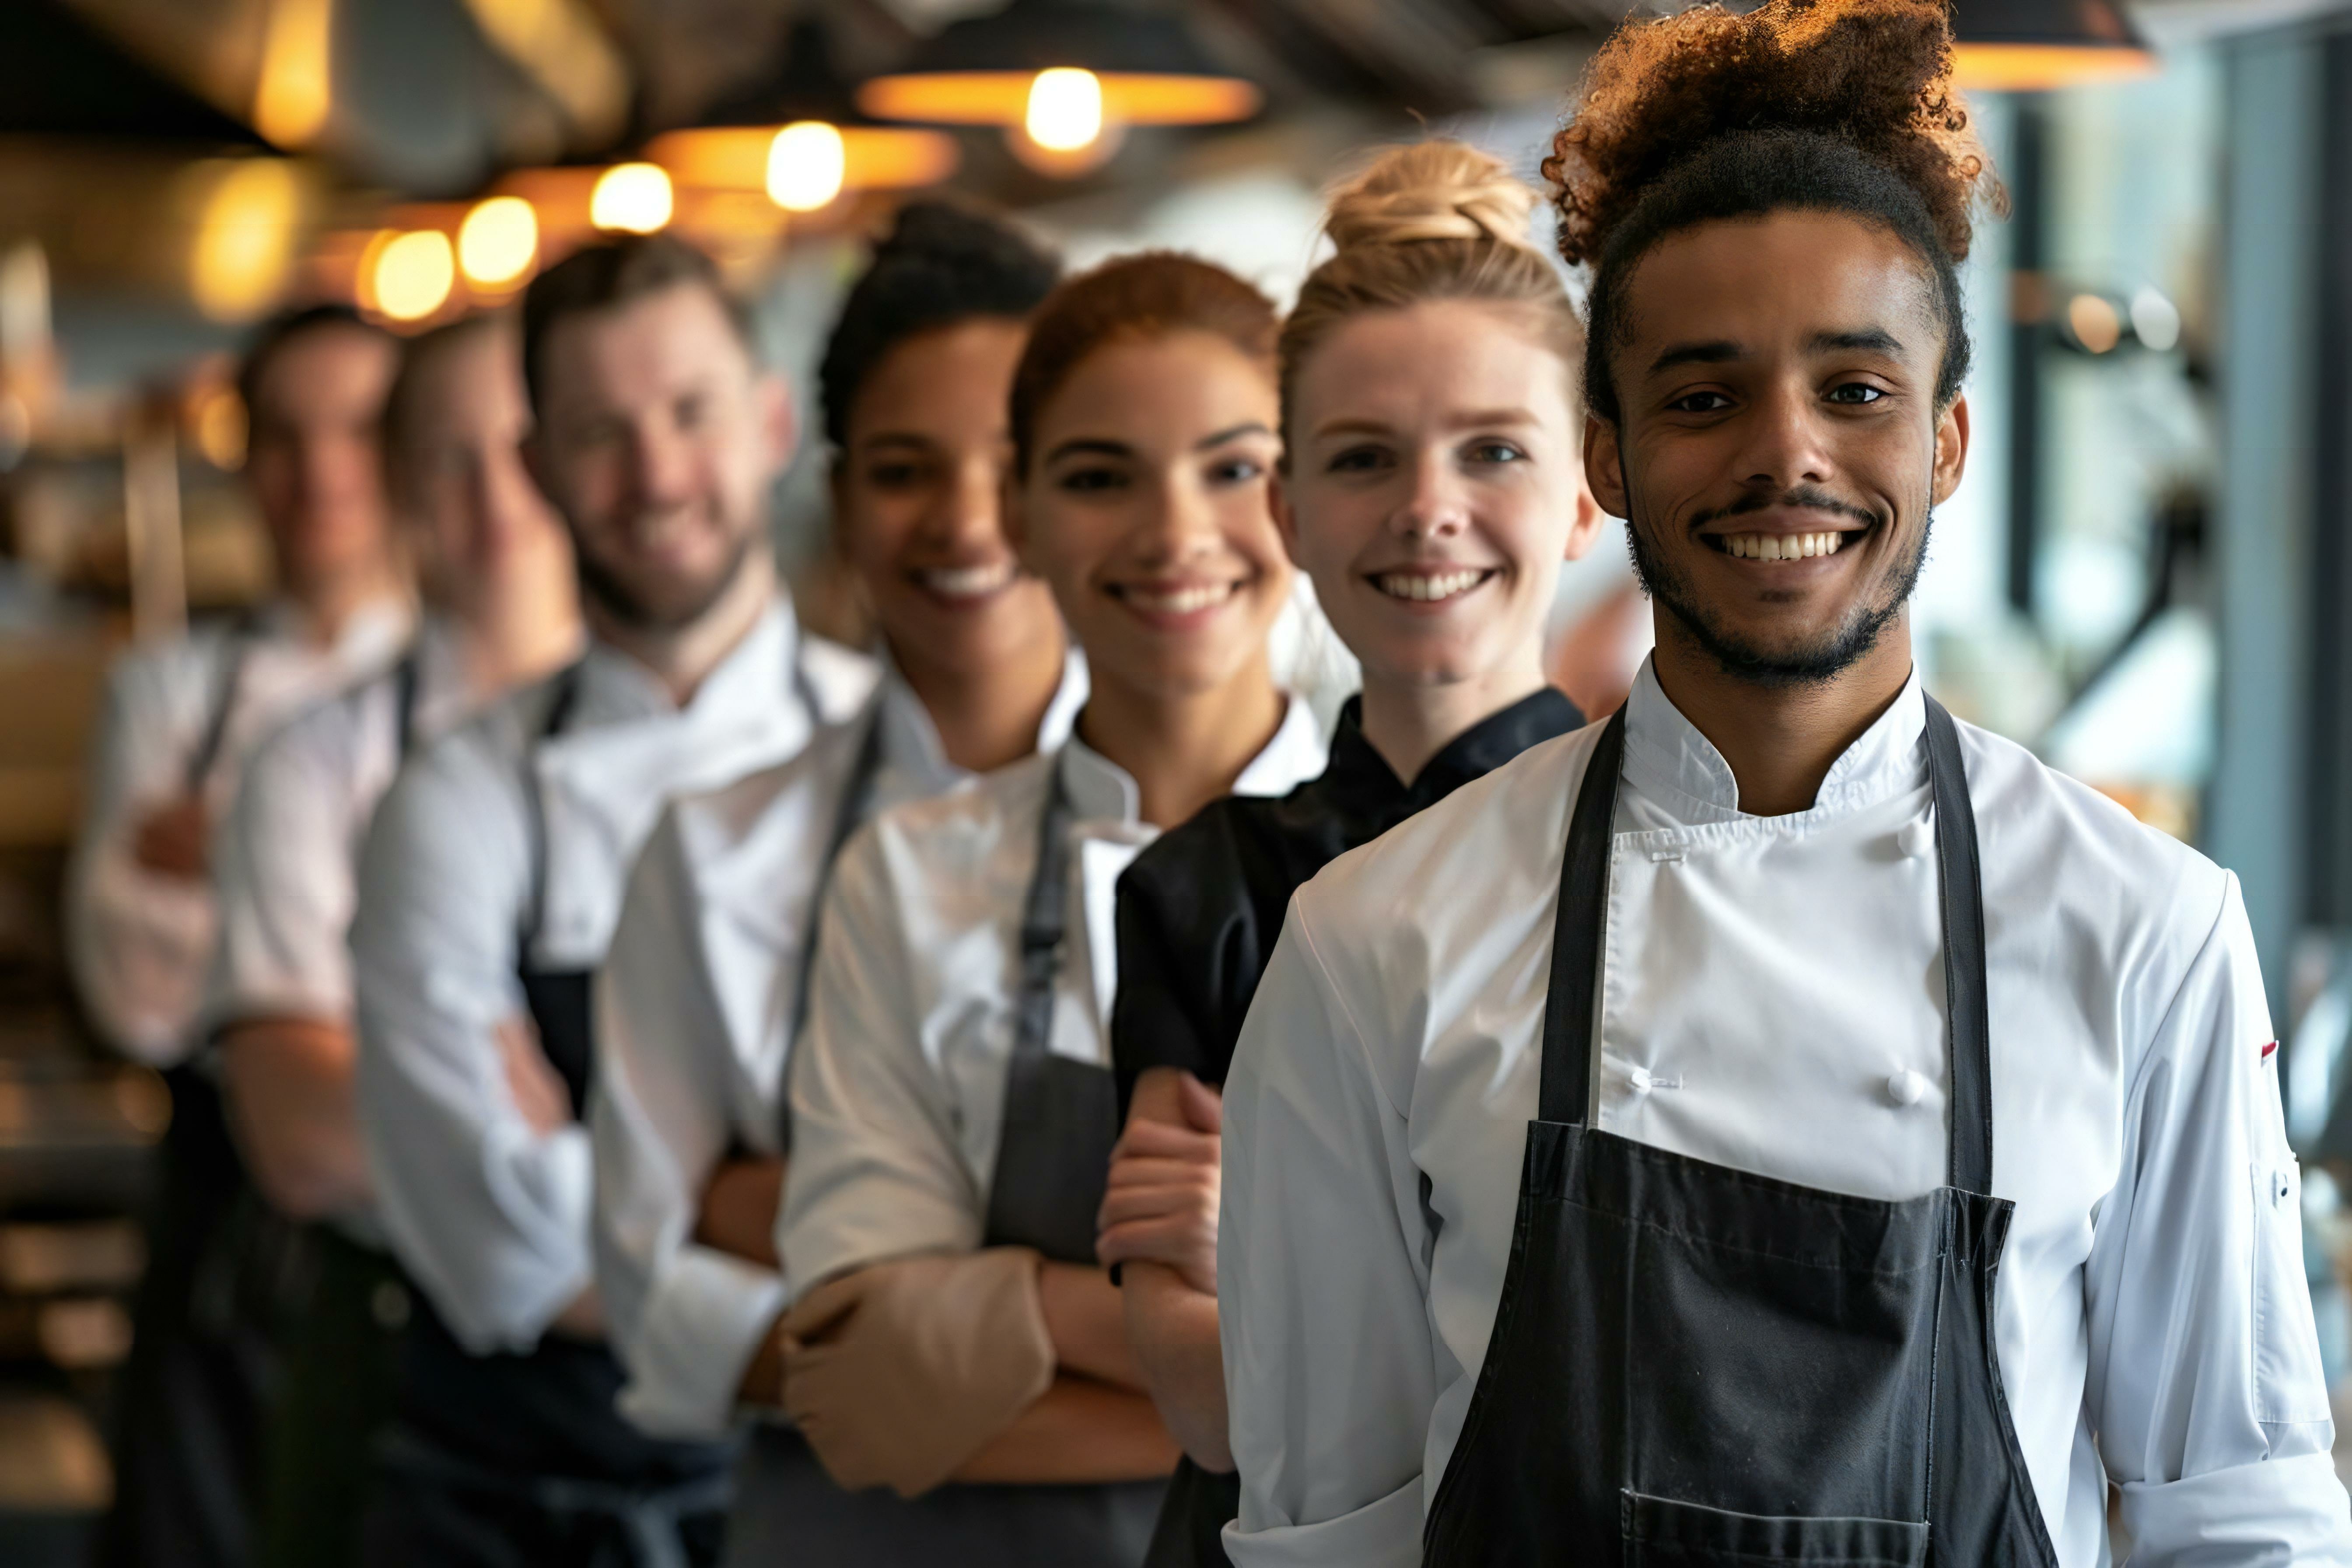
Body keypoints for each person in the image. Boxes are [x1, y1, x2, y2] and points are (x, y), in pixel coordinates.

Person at [1216, 4, 2352, 1565]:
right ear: (1606, 461)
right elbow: (1326, 1538)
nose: (1785, 456)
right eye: (1701, 398)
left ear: (1949, 441)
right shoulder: (1375, 945)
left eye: (1857, 391)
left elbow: (2238, 1521)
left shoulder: (2147, 931)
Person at [771, 252, 1327, 1564]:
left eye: (1234, 467)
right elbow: (852, 1388)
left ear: (1309, 493)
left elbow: (1503, 1366)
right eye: (1097, 476)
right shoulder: (907, 877)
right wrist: (1295, 1382)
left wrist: (1006, 1317)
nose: (1174, 533)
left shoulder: (1428, 861)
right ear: (1019, 515)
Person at [1095, 139, 1603, 1568]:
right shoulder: (1201, 893)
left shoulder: (1679, 864)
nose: (1427, 506)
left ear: (1586, 489)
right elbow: (1207, 1402)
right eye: (1365, 457)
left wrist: (1269, 1258)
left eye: (1495, 448)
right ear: (1290, 514)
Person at [350, 233, 871, 1566]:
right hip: (518, 1522)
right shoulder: (456, 804)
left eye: (689, 413)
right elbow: (496, 1238)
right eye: (599, 433)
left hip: (860, 1509)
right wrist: (861, 1244)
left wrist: (610, 1185)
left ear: (766, 422)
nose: (654, 478)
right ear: (537, 471)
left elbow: (993, 1195)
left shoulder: (899, 753)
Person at [583, 203, 1082, 1541]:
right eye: (905, 469)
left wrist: (807, 1228)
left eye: (1020, 460)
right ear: (841, 498)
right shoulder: (709, 851)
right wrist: (1128, 1348)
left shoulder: (1258, 820)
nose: (966, 521)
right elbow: (654, 1290)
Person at [205, 311, 581, 1568]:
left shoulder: (736, 743)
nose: (494, 495)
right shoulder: (315, 761)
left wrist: (446, 1088)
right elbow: (303, 1139)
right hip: (391, 1363)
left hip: (678, 1390)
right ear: (401, 483)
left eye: (527, 446)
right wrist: (637, 1152)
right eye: (446, 454)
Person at [84, 303, 410, 1568]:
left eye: (358, 431)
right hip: (220, 1232)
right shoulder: (167, 687)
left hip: (420, 1239)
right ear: (242, 459)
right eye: (284, 435)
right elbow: (137, 984)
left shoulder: (475, 693)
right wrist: (373, 904)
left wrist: (239, 868)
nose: (321, 471)